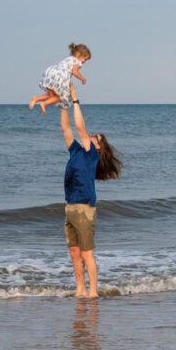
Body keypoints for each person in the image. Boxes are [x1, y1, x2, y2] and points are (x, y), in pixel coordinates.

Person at [59, 83, 122, 298]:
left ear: (97, 146)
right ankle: (80, 291)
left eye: (96, 137)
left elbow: (80, 128)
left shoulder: (92, 155)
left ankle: (93, 293)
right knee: (74, 253)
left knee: (86, 254)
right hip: (70, 206)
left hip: (85, 206)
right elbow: (67, 129)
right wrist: (64, 104)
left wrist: (75, 99)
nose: (91, 136)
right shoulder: (77, 150)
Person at [29, 43, 91, 114]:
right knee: (60, 98)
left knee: (51, 96)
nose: (84, 62)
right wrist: (82, 79)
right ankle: (44, 103)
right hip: (60, 77)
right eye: (85, 59)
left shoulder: (68, 59)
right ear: (79, 54)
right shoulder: (77, 61)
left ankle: (36, 99)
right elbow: (75, 72)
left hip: (50, 73)